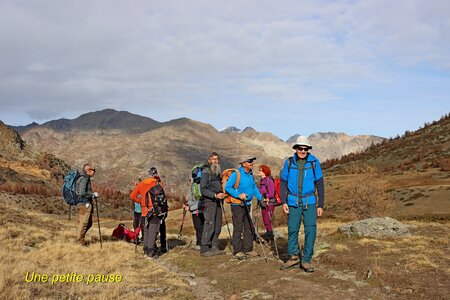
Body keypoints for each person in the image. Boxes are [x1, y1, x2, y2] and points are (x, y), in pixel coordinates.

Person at [280, 143, 325, 272]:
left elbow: (320, 184)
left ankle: (306, 260)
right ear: (296, 149)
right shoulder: (289, 163)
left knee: (311, 230)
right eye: (301, 149)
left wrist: (320, 204)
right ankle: (293, 257)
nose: (303, 151)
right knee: (293, 229)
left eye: (306, 149)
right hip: (293, 201)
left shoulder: (314, 162)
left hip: (309, 202)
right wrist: (284, 201)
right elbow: (283, 182)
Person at [225, 156, 266, 260]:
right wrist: (238, 195)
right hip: (237, 204)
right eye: (249, 161)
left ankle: (248, 249)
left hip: (247, 204)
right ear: (243, 164)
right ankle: (237, 251)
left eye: (252, 161)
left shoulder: (250, 174)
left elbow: (254, 187)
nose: (252, 163)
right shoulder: (236, 174)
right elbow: (228, 187)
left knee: (249, 226)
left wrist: (261, 198)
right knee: (238, 227)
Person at [130, 167, 164, 259]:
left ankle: (145, 250)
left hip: (144, 211)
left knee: (146, 230)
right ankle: (151, 252)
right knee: (153, 230)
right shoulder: (157, 183)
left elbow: (132, 195)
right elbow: (162, 197)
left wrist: (141, 201)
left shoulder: (141, 184)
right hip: (154, 211)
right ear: (155, 174)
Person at [199, 152, 225, 256]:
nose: (215, 161)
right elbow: (203, 189)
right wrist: (214, 195)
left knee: (218, 224)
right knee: (209, 224)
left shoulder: (217, 172)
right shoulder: (206, 172)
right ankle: (204, 248)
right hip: (209, 202)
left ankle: (214, 246)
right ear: (209, 160)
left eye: (217, 159)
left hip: (218, 201)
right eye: (213, 159)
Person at [75, 163, 98, 245]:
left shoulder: (84, 178)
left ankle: (80, 238)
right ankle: (80, 241)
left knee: (88, 223)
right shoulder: (85, 179)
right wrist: (92, 194)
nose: (94, 171)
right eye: (93, 170)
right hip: (84, 203)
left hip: (83, 203)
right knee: (84, 223)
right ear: (88, 171)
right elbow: (82, 192)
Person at [257, 164, 276, 242]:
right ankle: (269, 236)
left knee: (267, 220)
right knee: (265, 220)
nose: (259, 172)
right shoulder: (262, 182)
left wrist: (265, 197)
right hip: (263, 203)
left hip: (269, 203)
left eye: (260, 170)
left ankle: (270, 237)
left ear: (265, 172)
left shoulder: (269, 181)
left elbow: (271, 193)